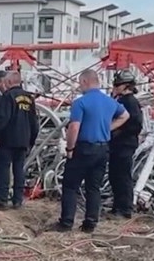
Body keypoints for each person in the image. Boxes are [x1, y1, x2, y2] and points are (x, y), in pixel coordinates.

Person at [55, 69, 130, 233]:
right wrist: (107, 128)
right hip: (102, 149)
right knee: (93, 187)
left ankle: (66, 222)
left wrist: (69, 148)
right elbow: (125, 116)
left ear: (84, 82)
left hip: (83, 148)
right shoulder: (110, 102)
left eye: (80, 83)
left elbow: (74, 127)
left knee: (70, 186)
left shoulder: (80, 102)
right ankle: (90, 223)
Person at [0, 71, 39, 209]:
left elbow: (3, 119)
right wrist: (31, 140)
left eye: (5, 81)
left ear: (10, 82)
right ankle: (18, 200)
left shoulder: (8, 96)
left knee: (4, 169)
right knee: (19, 170)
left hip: (8, 139)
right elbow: (34, 122)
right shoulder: (29, 98)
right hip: (24, 140)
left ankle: (2, 200)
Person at [108, 70, 144, 218]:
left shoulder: (129, 102)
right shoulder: (122, 101)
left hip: (124, 145)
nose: (115, 87)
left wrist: (117, 132)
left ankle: (124, 209)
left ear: (126, 86)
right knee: (115, 175)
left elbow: (135, 125)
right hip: (119, 145)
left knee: (122, 177)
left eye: (117, 84)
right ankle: (118, 207)